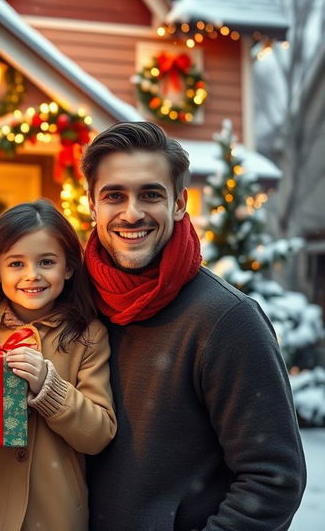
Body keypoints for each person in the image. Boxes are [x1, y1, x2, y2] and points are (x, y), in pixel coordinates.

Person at [82, 121, 306, 530]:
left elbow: (272, 479)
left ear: (180, 203)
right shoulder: (69, 306)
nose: (132, 213)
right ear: (92, 205)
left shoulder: (226, 320)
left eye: (151, 194)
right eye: (115, 195)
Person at [0, 199, 117, 530]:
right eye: (16, 263)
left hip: (55, 516)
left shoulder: (87, 335)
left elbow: (98, 434)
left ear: (68, 268)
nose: (32, 275)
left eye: (46, 262)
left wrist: (48, 386)